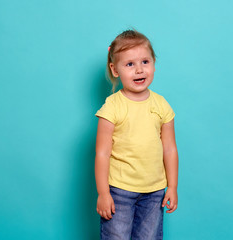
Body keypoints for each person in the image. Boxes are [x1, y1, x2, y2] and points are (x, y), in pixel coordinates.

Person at [95, 29, 179, 240]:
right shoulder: (112, 107)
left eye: (145, 62)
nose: (139, 70)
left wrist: (173, 186)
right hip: (119, 191)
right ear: (115, 70)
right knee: (117, 237)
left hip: (154, 191)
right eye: (130, 64)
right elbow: (102, 154)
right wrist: (103, 193)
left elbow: (170, 148)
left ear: (153, 63)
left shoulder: (161, 105)